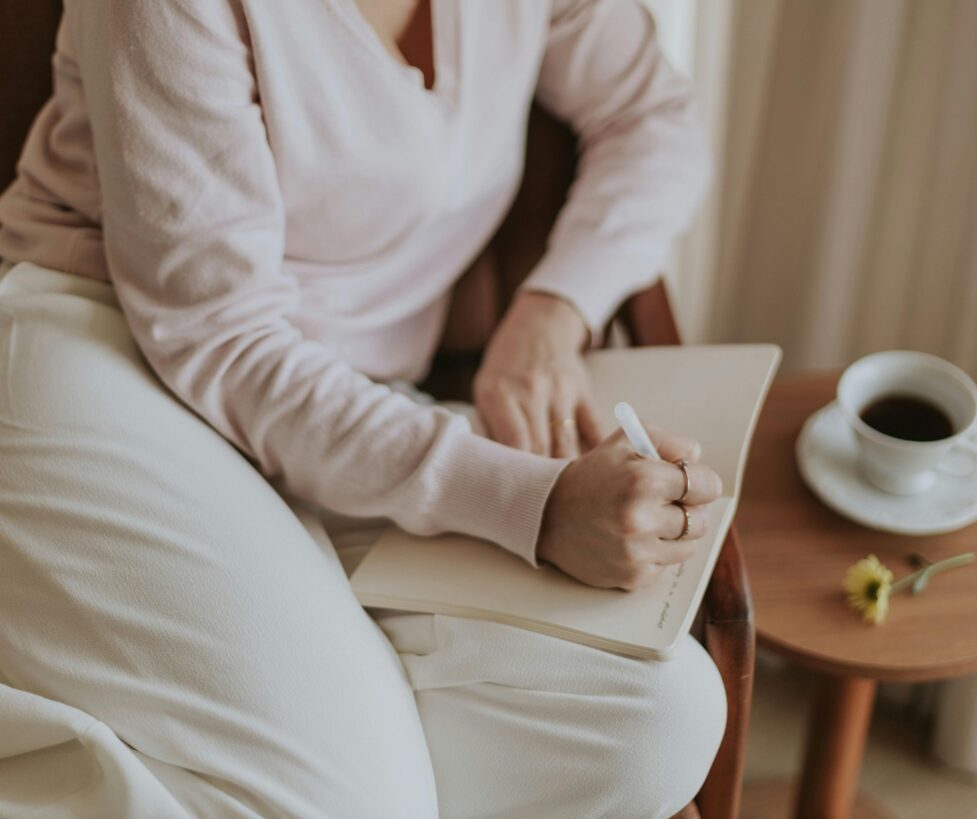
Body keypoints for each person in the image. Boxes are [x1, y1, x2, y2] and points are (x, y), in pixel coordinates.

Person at [0, 1, 726, 816]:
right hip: (114, 357)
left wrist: (552, 314)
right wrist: (536, 506)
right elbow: (222, 339)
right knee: (359, 801)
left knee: (657, 722)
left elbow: (653, 117)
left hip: (355, 412)